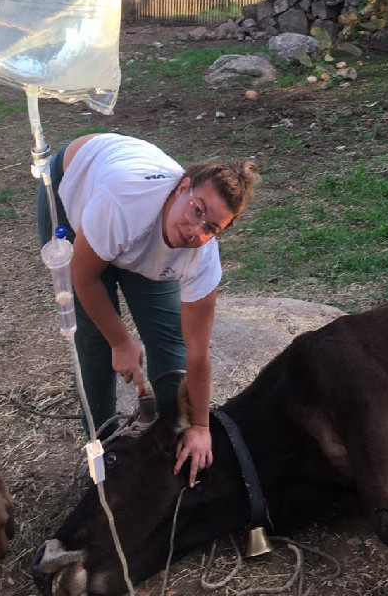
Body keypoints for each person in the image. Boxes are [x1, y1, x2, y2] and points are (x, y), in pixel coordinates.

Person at [36, 133, 259, 487]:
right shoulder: (124, 201)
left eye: (211, 228)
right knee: (95, 342)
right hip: (76, 185)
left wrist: (201, 426)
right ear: (183, 187)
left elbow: (197, 352)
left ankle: (173, 443)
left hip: (132, 230)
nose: (194, 230)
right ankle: (102, 450)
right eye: (196, 210)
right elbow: (84, 277)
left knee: (169, 339)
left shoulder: (201, 257)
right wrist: (121, 342)